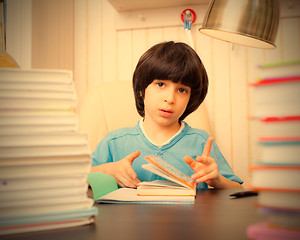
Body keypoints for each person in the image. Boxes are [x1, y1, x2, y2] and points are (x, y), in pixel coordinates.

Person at [91, 41, 243, 190]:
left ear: (191, 98)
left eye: (182, 90)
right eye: (161, 84)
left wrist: (217, 180)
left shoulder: (201, 142)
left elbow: (238, 189)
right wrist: (107, 171)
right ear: (141, 90)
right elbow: (75, 180)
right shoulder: (113, 142)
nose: (170, 99)